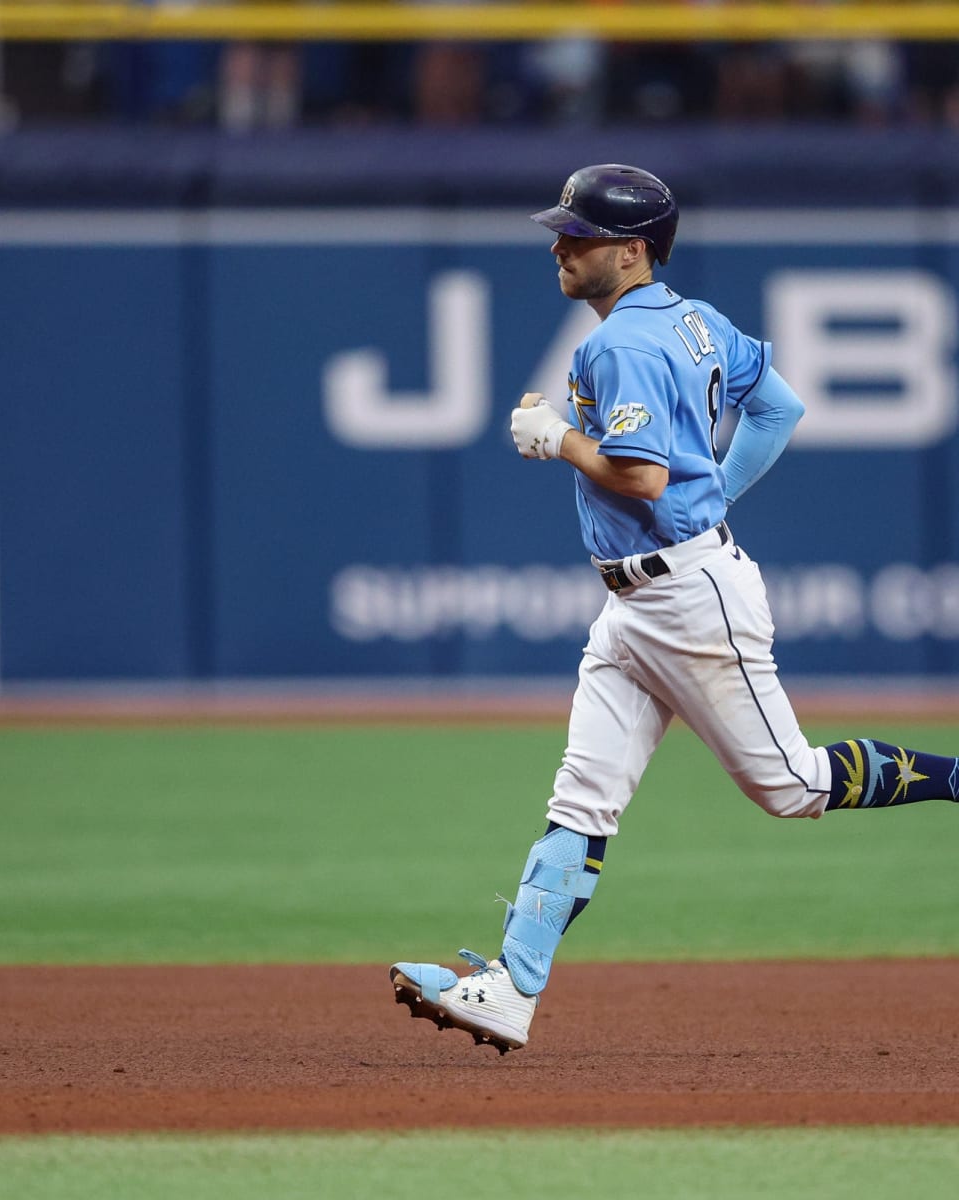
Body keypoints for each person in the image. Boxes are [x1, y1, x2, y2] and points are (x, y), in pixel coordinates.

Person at [390, 163, 959, 1055]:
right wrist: (715, 498)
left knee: (794, 787)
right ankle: (510, 989)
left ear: (629, 250)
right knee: (582, 796)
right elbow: (778, 407)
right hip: (638, 603)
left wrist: (560, 441)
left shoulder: (622, 343)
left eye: (576, 235)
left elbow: (644, 476)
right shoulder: (692, 319)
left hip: (690, 602)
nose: (559, 246)